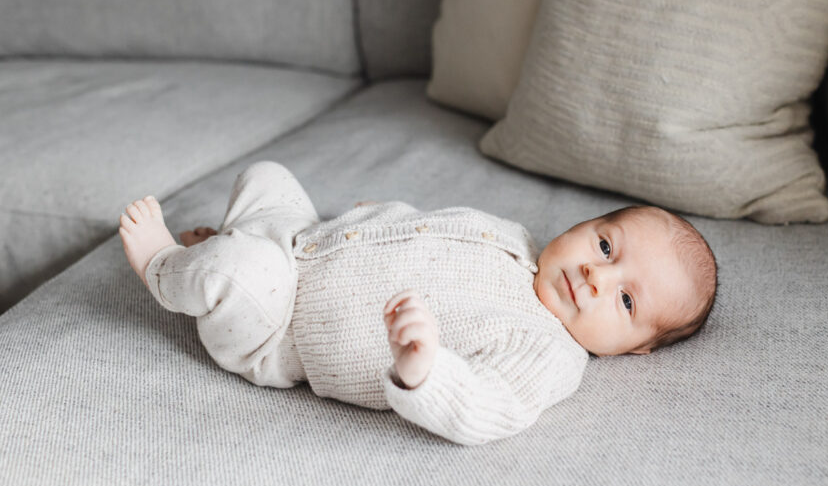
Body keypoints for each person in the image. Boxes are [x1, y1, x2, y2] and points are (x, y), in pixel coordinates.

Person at [119, 161, 717, 445]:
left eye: (626, 300)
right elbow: (422, 226)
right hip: (304, 236)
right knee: (266, 175)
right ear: (588, 223)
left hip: (281, 328)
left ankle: (165, 266)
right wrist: (370, 220)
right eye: (607, 245)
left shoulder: (550, 352)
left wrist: (425, 369)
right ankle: (227, 250)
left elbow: (489, 408)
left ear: (636, 349)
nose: (594, 275)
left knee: (244, 273)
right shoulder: (517, 239)